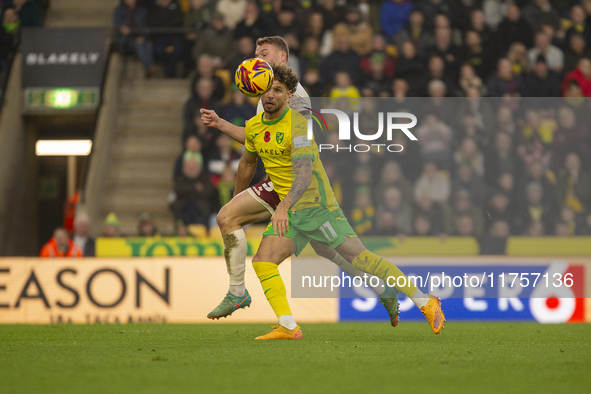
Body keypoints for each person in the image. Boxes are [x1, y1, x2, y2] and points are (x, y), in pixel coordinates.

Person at [200, 36, 400, 326]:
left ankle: (240, 293)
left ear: (282, 57)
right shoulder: (267, 93)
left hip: (296, 186)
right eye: (255, 56)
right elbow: (254, 140)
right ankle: (382, 290)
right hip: (279, 184)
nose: (258, 61)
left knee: (336, 250)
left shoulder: (293, 98)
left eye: (264, 54)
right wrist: (220, 123)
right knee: (231, 217)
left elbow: (295, 143)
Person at [236, 64, 444, 339]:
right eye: (267, 90)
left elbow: (304, 173)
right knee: (263, 260)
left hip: (317, 207)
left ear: (289, 95)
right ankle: (287, 325)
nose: (270, 95)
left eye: (278, 90)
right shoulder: (254, 125)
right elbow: (248, 159)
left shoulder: (298, 125)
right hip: (291, 212)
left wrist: (282, 208)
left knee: (360, 258)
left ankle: (425, 301)